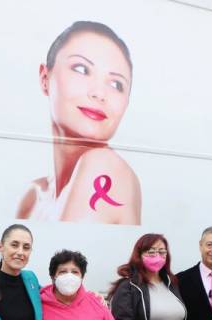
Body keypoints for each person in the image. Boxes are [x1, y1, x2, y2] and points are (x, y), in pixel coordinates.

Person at [17, 21, 141, 224]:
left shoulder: (104, 166)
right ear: (44, 77)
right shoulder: (34, 197)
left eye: (116, 84)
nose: (99, 93)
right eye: (82, 69)